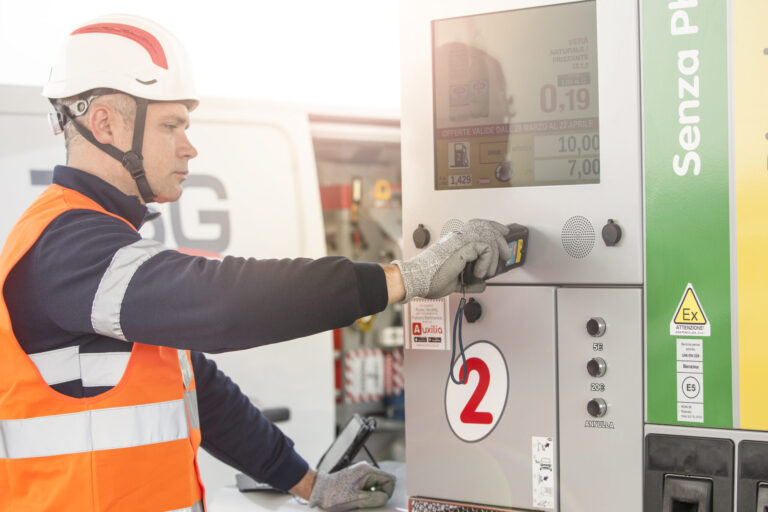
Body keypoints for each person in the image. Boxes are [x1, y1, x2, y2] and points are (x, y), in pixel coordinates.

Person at [0, 14, 512, 512]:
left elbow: (203, 394)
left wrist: (311, 484)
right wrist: (406, 279)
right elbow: (224, 304)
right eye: (171, 125)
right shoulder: (65, 248)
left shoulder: (100, 245)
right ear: (105, 124)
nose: (189, 146)